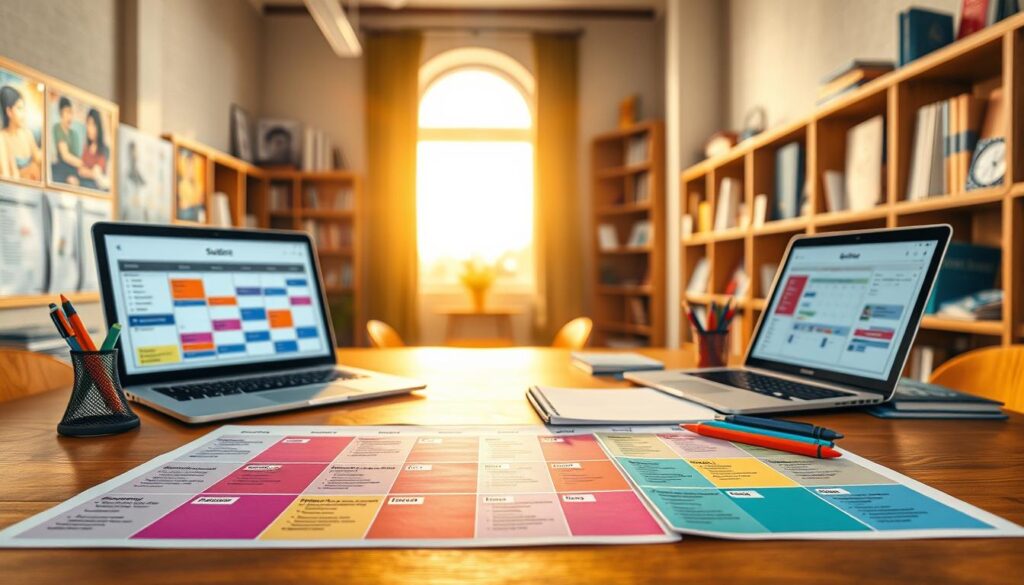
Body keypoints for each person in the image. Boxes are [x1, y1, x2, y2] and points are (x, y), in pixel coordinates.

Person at [0, 85, 43, 181]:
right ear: (9, 111)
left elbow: (38, 157)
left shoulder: (27, 134)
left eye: (24, 109)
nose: (24, 114)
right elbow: (5, 175)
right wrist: (24, 172)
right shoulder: (2, 138)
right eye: (19, 108)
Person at [51, 96, 82, 185]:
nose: (70, 116)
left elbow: (77, 156)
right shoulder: (57, 128)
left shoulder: (74, 134)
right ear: (61, 113)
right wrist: (83, 164)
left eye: (71, 113)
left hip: (74, 168)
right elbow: (65, 156)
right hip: (61, 167)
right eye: (67, 112)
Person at [77, 108, 109, 190]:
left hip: (96, 189)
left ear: (98, 126)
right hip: (83, 187)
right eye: (88, 124)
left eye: (93, 124)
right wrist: (88, 172)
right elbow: (80, 170)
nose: (89, 128)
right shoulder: (86, 148)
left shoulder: (104, 149)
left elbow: (95, 173)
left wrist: (87, 172)